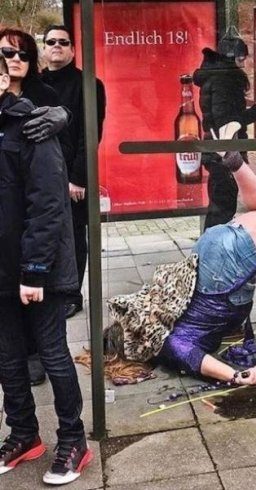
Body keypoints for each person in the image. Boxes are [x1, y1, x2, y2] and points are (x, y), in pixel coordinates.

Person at [100, 125, 256, 385]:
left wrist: (237, 377)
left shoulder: (159, 342)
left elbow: (194, 358)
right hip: (208, 250)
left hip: (222, 270)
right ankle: (234, 161)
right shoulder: (148, 314)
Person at [0, 54, 92, 485]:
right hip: (2, 269)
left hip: (39, 268)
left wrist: (34, 271)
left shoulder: (32, 125)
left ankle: (73, 440)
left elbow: (49, 204)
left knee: (53, 353)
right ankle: (23, 435)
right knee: (8, 357)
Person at [0, 27, 73, 386]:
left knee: (48, 339)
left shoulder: (42, 96)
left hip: (37, 218)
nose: (15, 60)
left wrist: (63, 115)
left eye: (23, 54)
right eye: (7, 53)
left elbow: (47, 196)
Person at [41, 24, 106, 320]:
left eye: (63, 42)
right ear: (44, 48)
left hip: (71, 176)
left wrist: (78, 178)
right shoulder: (35, 83)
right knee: (44, 232)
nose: (57, 45)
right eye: (51, 41)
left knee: (73, 236)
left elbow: (90, 135)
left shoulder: (89, 85)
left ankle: (71, 295)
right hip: (39, 174)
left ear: (73, 49)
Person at [193, 36, 256, 230]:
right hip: (223, 153)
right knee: (223, 207)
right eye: (240, 59)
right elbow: (227, 122)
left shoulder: (215, 76)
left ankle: (211, 243)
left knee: (220, 204)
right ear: (231, 58)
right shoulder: (225, 79)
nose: (243, 65)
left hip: (217, 151)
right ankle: (213, 245)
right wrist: (255, 111)